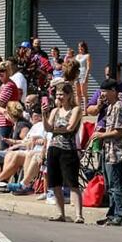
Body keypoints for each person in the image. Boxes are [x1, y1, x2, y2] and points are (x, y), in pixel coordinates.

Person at [92, 79, 122, 227]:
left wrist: (101, 135)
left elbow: (120, 131)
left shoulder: (119, 107)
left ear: (113, 91)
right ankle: (112, 214)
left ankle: (121, 216)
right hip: (109, 151)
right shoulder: (109, 107)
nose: (102, 94)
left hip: (118, 153)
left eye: (104, 91)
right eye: (101, 91)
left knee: (118, 184)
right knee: (110, 185)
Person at [42, 82, 84, 224]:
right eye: (57, 94)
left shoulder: (76, 109)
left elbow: (70, 127)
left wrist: (55, 128)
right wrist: (44, 114)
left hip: (68, 149)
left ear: (69, 95)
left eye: (62, 94)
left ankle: (79, 215)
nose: (59, 97)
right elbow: (48, 127)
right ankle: (61, 213)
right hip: (54, 148)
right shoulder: (54, 111)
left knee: (72, 183)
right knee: (56, 183)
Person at [75, 41, 91, 110]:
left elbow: (88, 67)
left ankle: (85, 110)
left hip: (83, 73)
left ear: (84, 47)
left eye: (81, 46)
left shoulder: (87, 55)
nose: (80, 48)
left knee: (83, 93)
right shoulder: (77, 56)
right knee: (77, 93)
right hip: (77, 75)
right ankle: (78, 109)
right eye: (79, 46)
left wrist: (86, 76)